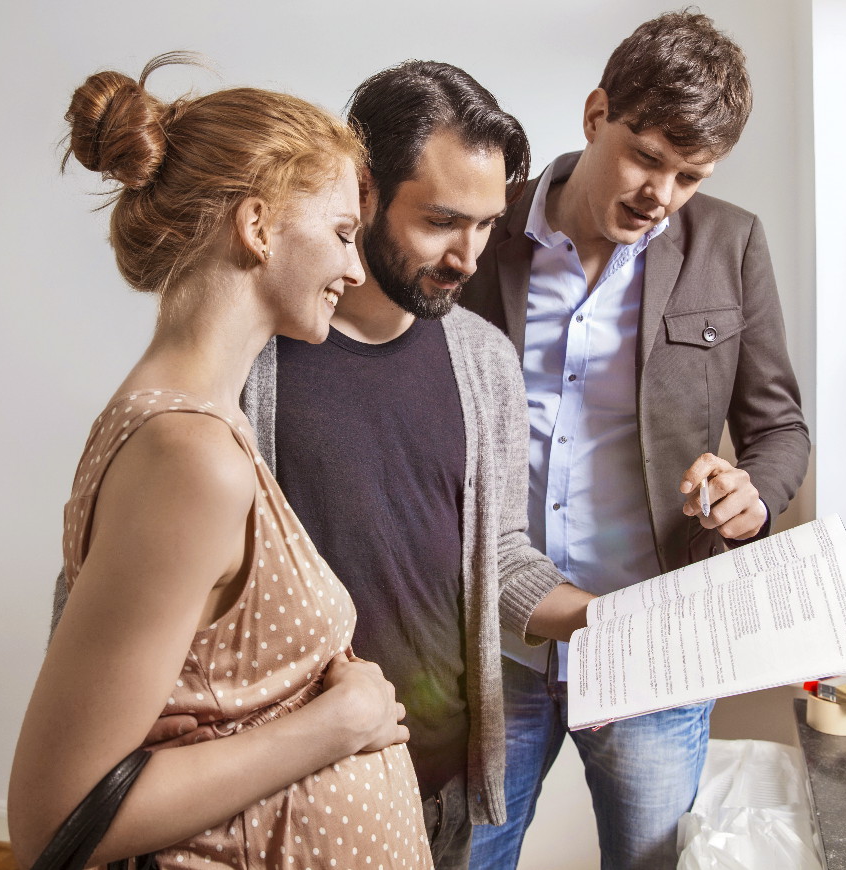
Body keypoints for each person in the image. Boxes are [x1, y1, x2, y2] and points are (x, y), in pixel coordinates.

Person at [47, 60, 594, 870]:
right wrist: (113, 731)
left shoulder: (485, 363)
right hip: (271, 810)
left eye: (488, 225)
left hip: (441, 789)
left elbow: (500, 557)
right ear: (363, 194)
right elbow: (118, 560)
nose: (469, 257)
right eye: (443, 220)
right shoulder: (243, 364)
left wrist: (612, 621)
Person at [11, 53, 434, 870]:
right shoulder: (188, 457)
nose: (355, 267)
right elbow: (55, 817)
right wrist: (337, 725)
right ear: (259, 226)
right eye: (343, 233)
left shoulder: (200, 427)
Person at [461, 11, 812, 870]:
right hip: (489, 642)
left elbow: (779, 427)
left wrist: (752, 494)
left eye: (689, 177)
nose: (662, 195)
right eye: (648, 157)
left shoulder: (731, 244)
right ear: (595, 115)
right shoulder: (479, 231)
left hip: (657, 649)